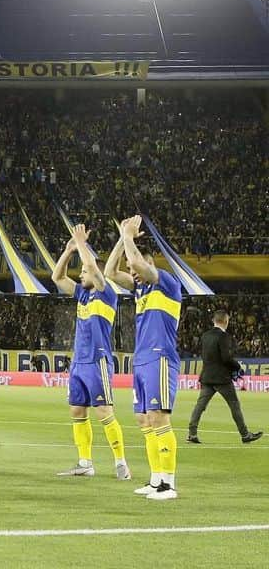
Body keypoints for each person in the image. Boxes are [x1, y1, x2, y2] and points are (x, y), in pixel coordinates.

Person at [105, 215, 181, 501]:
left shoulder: (167, 283)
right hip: (142, 360)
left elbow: (136, 264)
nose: (132, 271)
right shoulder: (141, 289)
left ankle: (169, 485)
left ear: (150, 263)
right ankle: (155, 479)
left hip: (160, 358)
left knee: (159, 418)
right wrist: (121, 239)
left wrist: (129, 238)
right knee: (144, 419)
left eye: (136, 266)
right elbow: (111, 272)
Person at [52, 224, 130, 480]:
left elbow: (95, 270)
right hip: (79, 363)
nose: (81, 274)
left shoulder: (106, 294)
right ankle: (85, 462)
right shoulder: (82, 296)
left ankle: (121, 463)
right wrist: (68, 250)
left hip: (98, 362)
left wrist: (82, 245)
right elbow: (57, 278)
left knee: (104, 412)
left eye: (83, 271)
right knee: (77, 411)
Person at [186, 309, 263, 445]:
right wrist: (238, 367)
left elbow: (205, 356)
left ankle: (192, 433)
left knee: (200, 405)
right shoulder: (224, 337)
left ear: (214, 321)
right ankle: (245, 435)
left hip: (207, 376)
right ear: (226, 321)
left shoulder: (205, 336)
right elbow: (226, 358)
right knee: (234, 406)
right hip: (222, 378)